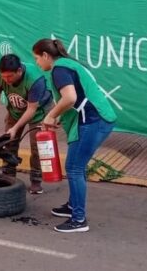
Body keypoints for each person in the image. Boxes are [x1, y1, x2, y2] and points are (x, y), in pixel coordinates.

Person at [32, 38, 117, 233]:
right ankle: (72, 207)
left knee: (74, 167)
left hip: (93, 121)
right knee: (77, 166)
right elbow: (76, 98)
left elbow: (70, 97)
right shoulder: (69, 64)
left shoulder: (59, 69)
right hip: (97, 118)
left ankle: (78, 219)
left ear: (46, 56)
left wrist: (51, 115)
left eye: (37, 58)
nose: (37, 63)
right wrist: (60, 116)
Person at [0, 54, 54, 194]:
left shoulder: (35, 80)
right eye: (3, 77)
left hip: (39, 113)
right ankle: (8, 176)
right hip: (15, 111)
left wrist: (15, 128)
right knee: (9, 142)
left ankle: (36, 180)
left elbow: (31, 109)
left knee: (37, 147)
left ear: (19, 71)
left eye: (9, 77)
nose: (6, 80)